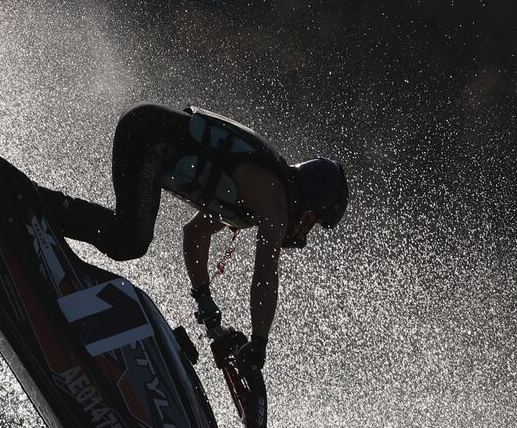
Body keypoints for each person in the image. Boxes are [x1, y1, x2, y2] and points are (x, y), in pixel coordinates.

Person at [34, 103, 348, 373]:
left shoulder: (258, 198)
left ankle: (40, 210)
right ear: (309, 209)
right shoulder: (274, 203)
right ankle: (36, 205)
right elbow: (265, 276)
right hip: (147, 135)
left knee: (127, 238)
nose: (304, 231)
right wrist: (259, 344)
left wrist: (206, 304)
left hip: (145, 130)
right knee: (129, 240)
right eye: (313, 222)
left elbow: (195, 235)